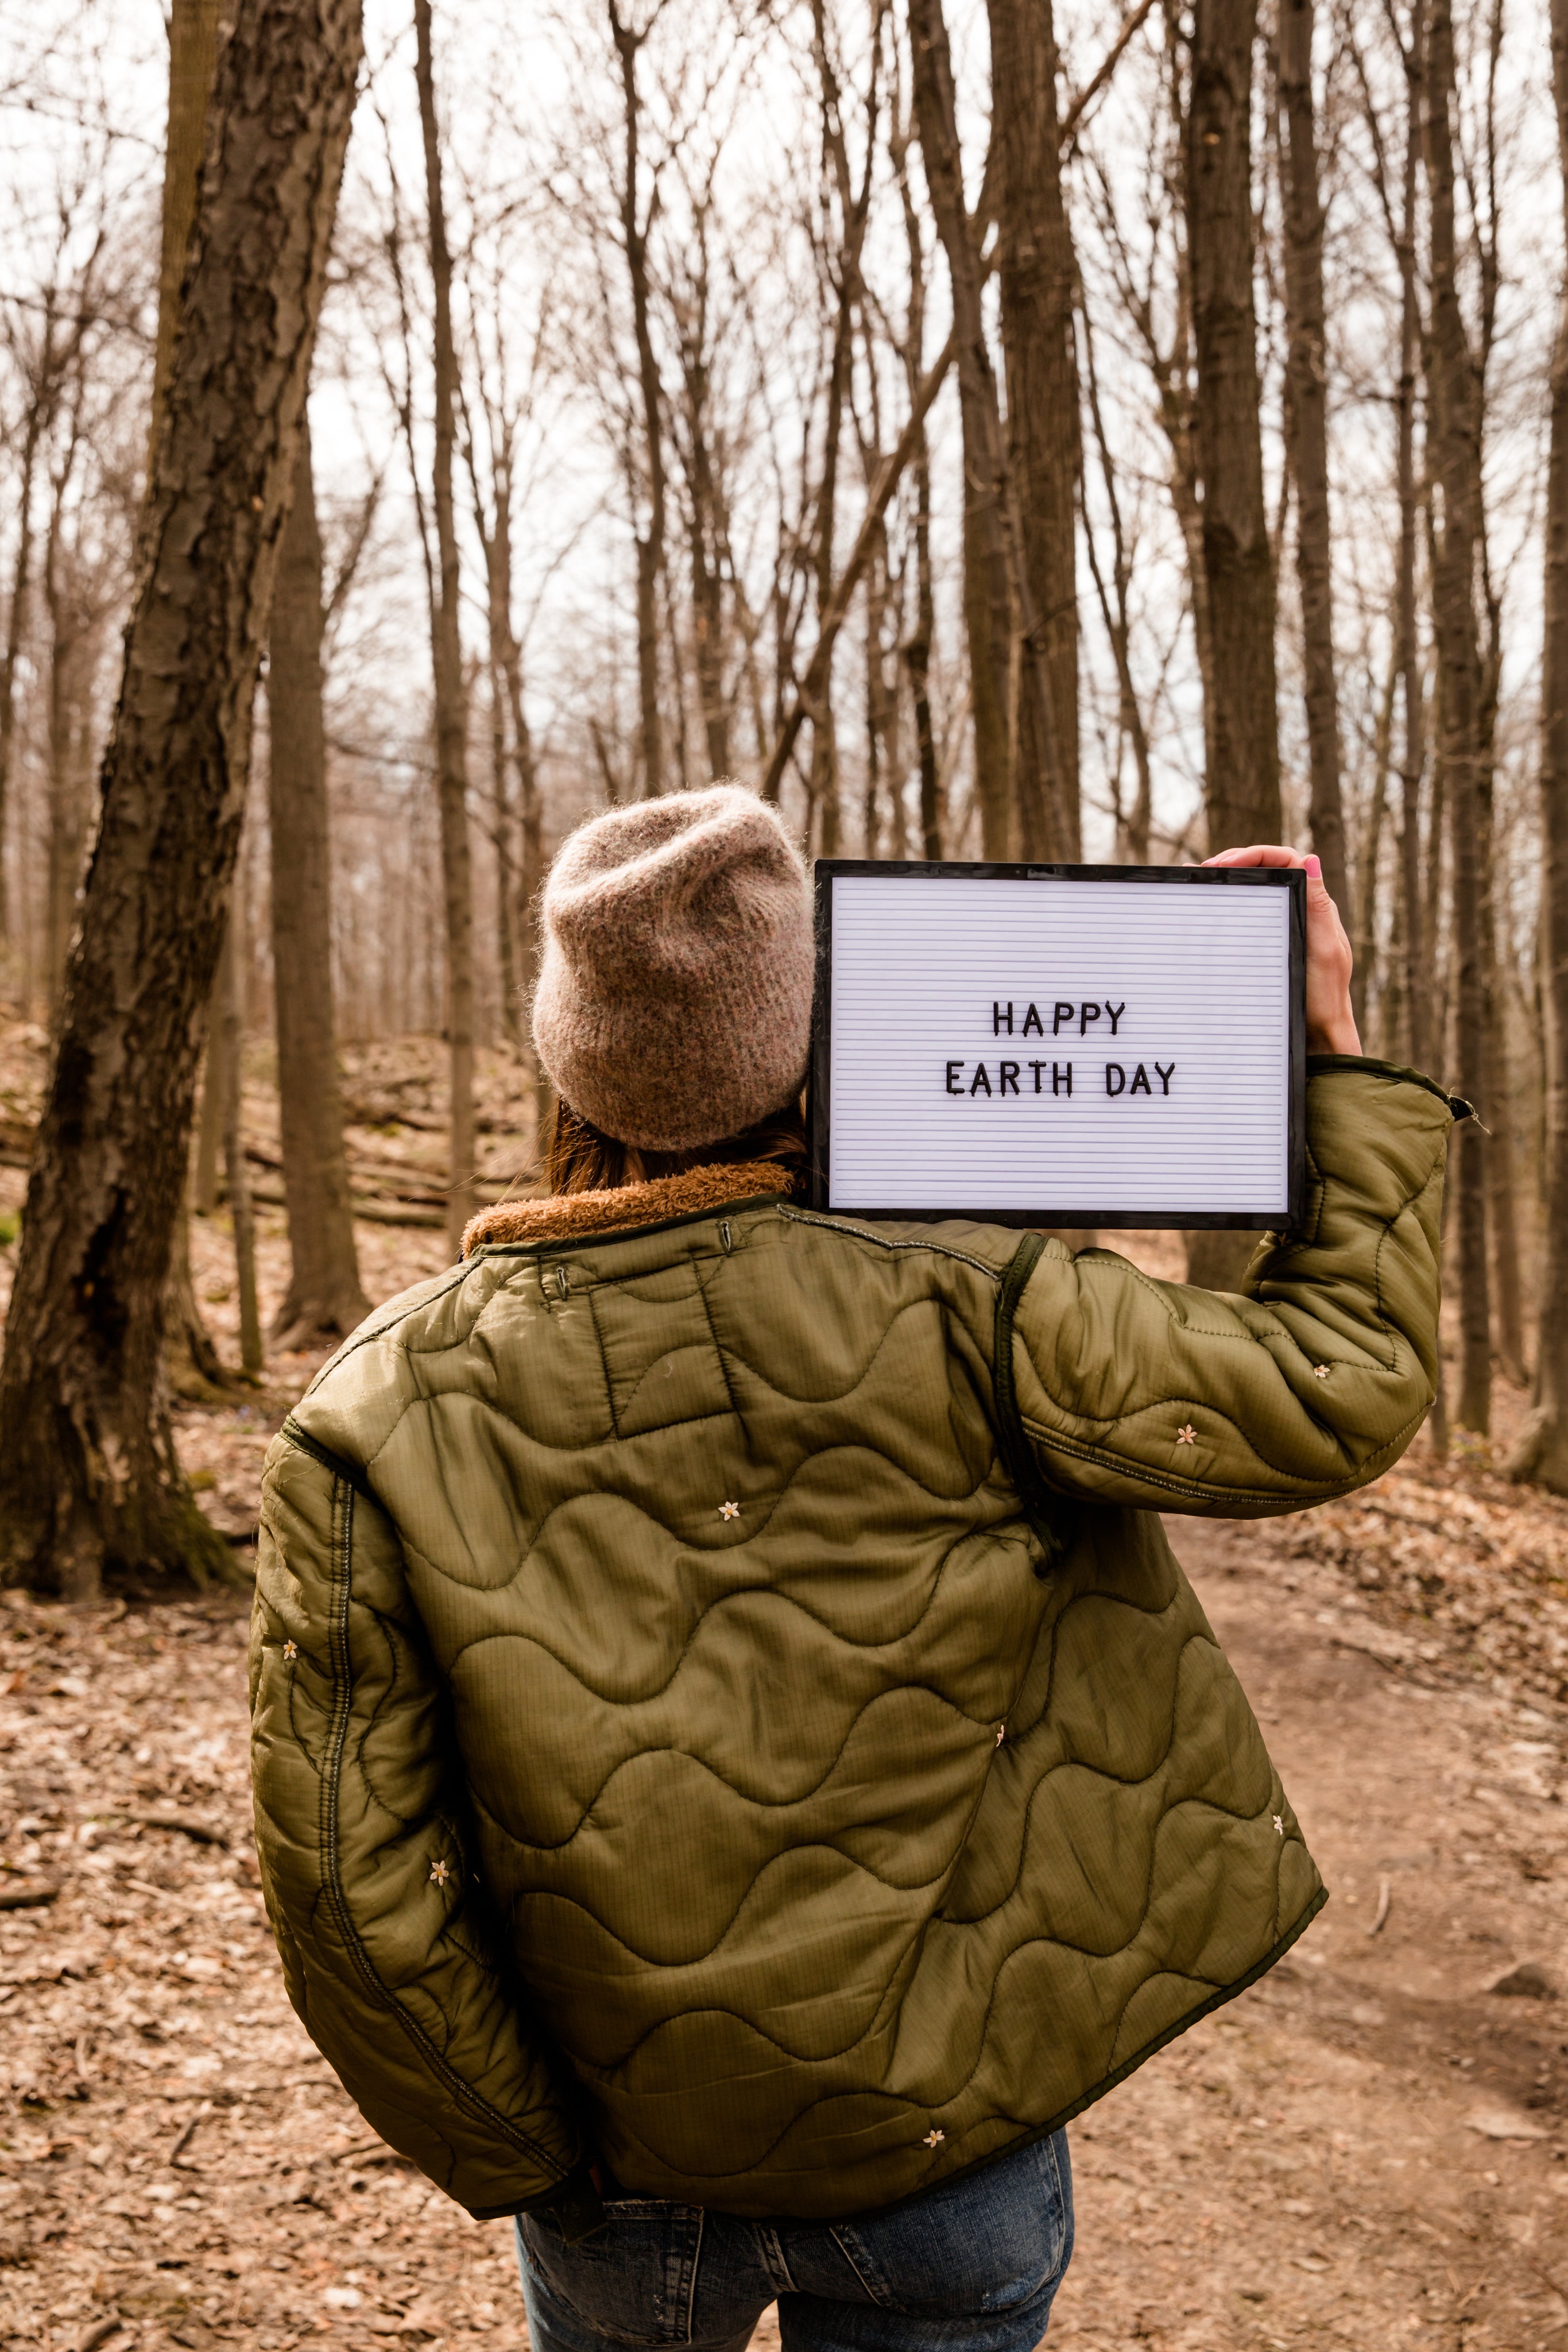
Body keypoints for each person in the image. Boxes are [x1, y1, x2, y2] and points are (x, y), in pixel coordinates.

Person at [250, 786, 1457, 2352]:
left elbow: (344, 1874)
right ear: (814, 1030)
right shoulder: (977, 1294)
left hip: (615, 2177)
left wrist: (525, 2150)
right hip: (938, 2155)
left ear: (570, 1060)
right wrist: (1330, 1053)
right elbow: (1335, 1382)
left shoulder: (374, 1406)